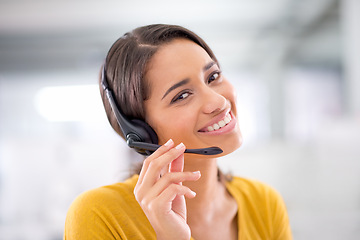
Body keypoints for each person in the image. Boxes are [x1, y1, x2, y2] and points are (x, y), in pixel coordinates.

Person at [64, 24, 292, 240]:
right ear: (141, 131)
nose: (219, 101)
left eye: (213, 77)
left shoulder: (264, 202)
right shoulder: (100, 215)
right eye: (182, 95)